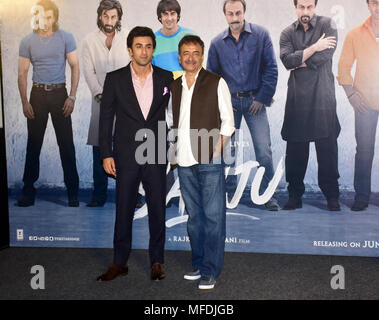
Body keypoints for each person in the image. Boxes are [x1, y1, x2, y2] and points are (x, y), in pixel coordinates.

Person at [97, 27, 173, 282]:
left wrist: (170, 150)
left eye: (149, 46)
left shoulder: (166, 78)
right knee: (124, 209)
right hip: (126, 154)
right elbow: (106, 118)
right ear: (130, 50)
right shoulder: (115, 78)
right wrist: (106, 153)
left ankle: (157, 261)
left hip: (155, 151)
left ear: (154, 49)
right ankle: (120, 262)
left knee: (157, 209)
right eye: (139, 46)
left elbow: (172, 115)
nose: (144, 51)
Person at [170, 35, 235, 290]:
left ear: (202, 55)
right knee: (194, 217)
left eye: (195, 53)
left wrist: (216, 151)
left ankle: (211, 270)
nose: (190, 58)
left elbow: (228, 121)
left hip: (209, 160)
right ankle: (198, 265)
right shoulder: (175, 86)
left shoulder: (216, 82)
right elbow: (172, 121)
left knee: (213, 217)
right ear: (179, 56)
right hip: (184, 161)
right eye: (186, 53)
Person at [207, 0, 280, 211]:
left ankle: (268, 195)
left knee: (263, 150)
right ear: (225, 15)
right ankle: (230, 194)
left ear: (244, 12)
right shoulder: (217, 43)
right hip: (230, 104)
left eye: (238, 12)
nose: (235, 17)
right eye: (230, 14)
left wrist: (262, 98)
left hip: (255, 100)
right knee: (228, 152)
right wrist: (224, 104)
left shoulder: (261, 35)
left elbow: (271, 69)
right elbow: (213, 78)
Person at [17, 0, 80, 207]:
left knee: (66, 145)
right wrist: (25, 101)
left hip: (60, 94)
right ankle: (28, 191)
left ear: (55, 17)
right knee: (33, 145)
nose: (45, 21)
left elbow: (75, 67)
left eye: (49, 17)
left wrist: (71, 97)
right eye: (41, 17)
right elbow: (22, 73)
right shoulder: (27, 40)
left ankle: (73, 192)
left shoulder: (66, 37)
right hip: (37, 95)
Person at [280, 0, 340, 211]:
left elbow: (326, 56)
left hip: (323, 97)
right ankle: (294, 195)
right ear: (295, 7)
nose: (305, 12)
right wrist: (314, 47)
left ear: (315, 6)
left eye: (309, 7)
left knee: (327, 150)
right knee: (295, 151)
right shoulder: (287, 33)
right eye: (301, 7)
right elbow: (287, 61)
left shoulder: (328, 24)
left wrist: (300, 61)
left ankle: (332, 196)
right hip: (298, 99)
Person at [82, 0, 130, 208]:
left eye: (113, 17)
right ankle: (99, 195)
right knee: (99, 146)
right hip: (100, 100)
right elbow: (88, 71)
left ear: (118, 17)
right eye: (105, 16)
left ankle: (131, 194)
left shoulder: (128, 37)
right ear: (99, 16)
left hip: (126, 101)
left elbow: (134, 66)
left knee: (127, 146)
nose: (109, 21)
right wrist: (99, 93)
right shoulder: (89, 41)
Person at [337, 0, 379, 211]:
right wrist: (350, 93)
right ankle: (362, 196)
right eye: (374, 2)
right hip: (365, 102)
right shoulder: (355, 34)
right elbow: (343, 66)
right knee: (364, 150)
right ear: (368, 5)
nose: (378, 6)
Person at [152, 0, 195, 80]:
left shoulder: (190, 36)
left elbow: (198, 67)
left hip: (187, 89)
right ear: (160, 17)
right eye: (165, 14)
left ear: (178, 16)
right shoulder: (152, 40)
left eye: (172, 13)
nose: (169, 18)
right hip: (163, 90)